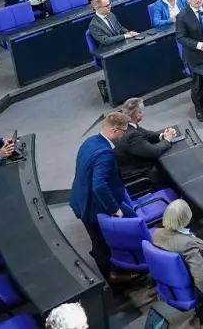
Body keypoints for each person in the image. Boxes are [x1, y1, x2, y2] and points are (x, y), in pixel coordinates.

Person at [70, 111, 136, 282]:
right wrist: (114, 209)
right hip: (92, 207)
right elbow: (99, 185)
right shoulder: (105, 154)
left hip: (81, 199)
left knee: (99, 240)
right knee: (101, 244)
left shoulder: (90, 141)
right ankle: (112, 277)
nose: (125, 135)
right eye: (124, 131)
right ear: (115, 131)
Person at [115, 97, 178, 189]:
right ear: (138, 115)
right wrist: (167, 139)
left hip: (130, 164)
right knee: (170, 165)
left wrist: (162, 135)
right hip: (136, 171)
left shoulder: (125, 124)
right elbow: (153, 152)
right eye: (142, 111)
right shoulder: (130, 135)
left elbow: (145, 133)